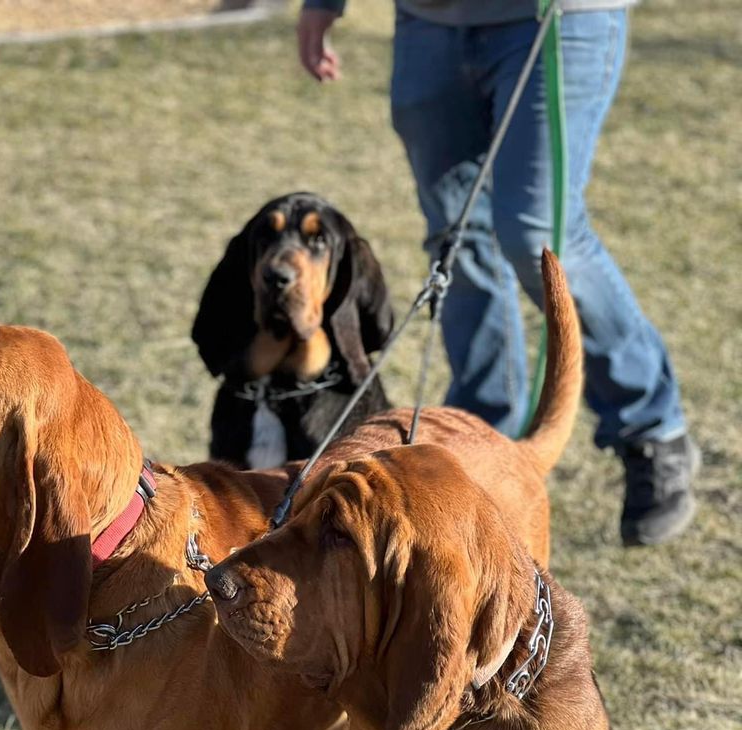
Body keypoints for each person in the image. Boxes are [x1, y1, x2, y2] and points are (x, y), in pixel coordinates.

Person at [296, 0, 699, 546]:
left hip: (553, 17)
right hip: (429, 21)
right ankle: (483, 438)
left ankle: (652, 425)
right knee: (456, 236)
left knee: (540, 236)